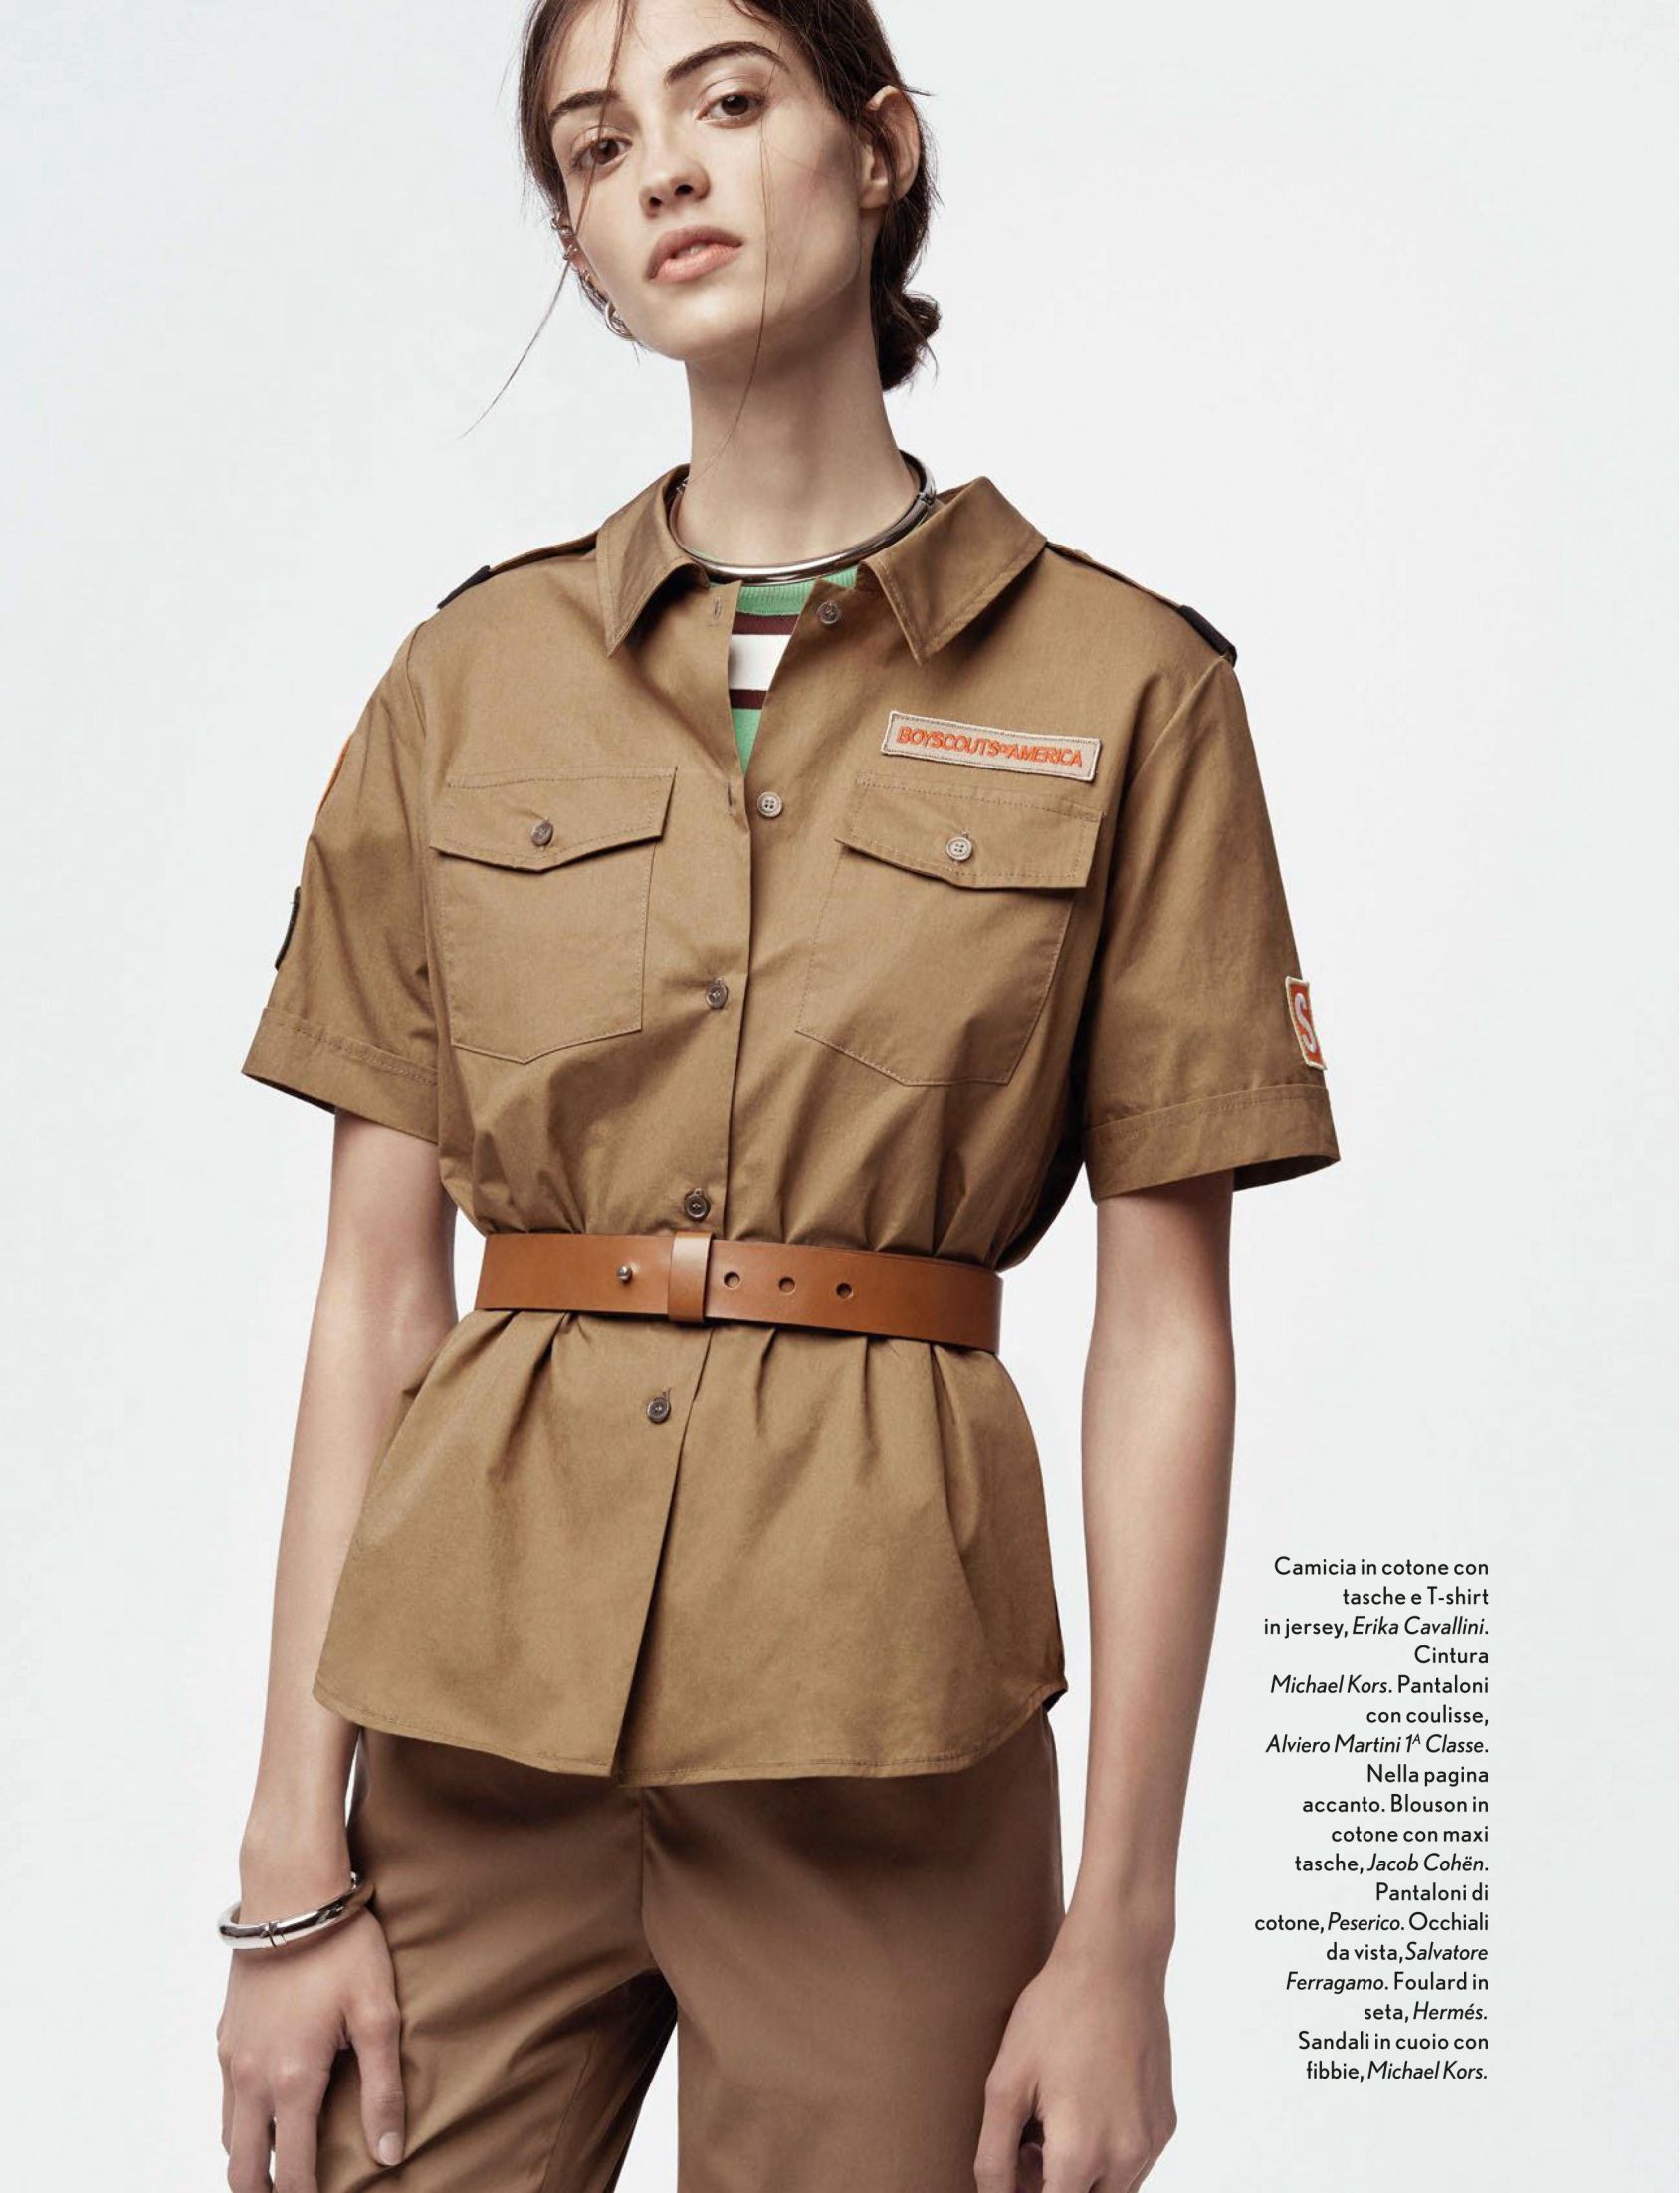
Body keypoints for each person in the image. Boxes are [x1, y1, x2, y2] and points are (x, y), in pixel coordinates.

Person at [215, 0, 1341, 2187]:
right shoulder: (464, 684)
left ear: (877, 146)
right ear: (580, 236)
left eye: (729, 100)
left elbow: (1163, 1339)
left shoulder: (1132, 692)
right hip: (464, 1724)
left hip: (886, 1744)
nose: (661, 168)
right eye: (593, 144)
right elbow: (374, 1297)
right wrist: (289, 1859)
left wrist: (1121, 1930)